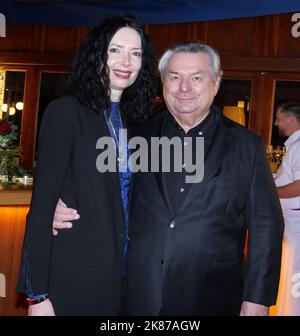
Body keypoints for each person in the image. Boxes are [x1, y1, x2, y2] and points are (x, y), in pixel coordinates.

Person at [53, 41, 284, 316]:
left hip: (214, 296)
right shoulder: (134, 136)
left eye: (196, 78)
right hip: (138, 293)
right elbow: (99, 188)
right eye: (174, 77)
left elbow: (265, 224)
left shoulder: (247, 145)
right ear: (164, 82)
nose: (184, 88)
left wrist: (257, 299)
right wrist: (57, 203)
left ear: (216, 81)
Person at [16, 14, 156, 316]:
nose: (126, 61)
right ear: (98, 54)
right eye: (115, 50)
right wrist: (37, 296)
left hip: (125, 282)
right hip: (74, 276)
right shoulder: (66, 113)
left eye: (136, 53)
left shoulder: (138, 122)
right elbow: (41, 210)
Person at [271, 102, 300, 316]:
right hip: (290, 223)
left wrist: (269, 193)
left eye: (279, 118)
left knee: (294, 279)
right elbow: (288, 179)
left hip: (296, 225)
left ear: (291, 119)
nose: (275, 122)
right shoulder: (294, 145)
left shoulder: (299, 146)